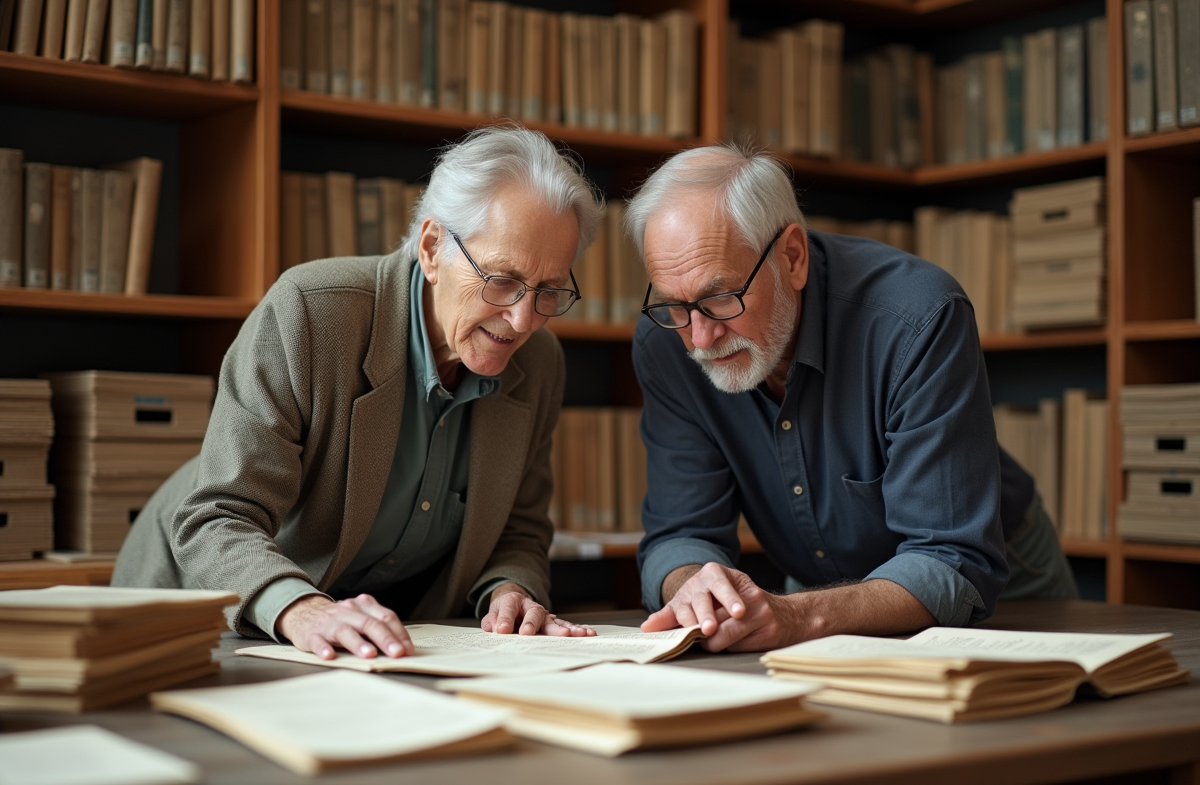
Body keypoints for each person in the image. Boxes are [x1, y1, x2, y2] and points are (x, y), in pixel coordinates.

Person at [113, 126, 602, 659]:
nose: (523, 319)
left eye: (550, 290)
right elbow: (215, 516)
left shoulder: (540, 363)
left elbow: (518, 528)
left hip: (384, 645)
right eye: (502, 280)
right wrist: (302, 609)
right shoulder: (310, 313)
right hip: (205, 612)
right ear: (433, 248)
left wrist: (511, 589)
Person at [627, 144, 1078, 653]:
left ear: (791, 258)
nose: (700, 338)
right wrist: (694, 586)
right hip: (817, 600)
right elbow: (680, 532)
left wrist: (798, 616)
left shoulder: (918, 318)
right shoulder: (667, 344)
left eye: (719, 298)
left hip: (997, 582)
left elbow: (951, 558)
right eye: (675, 306)